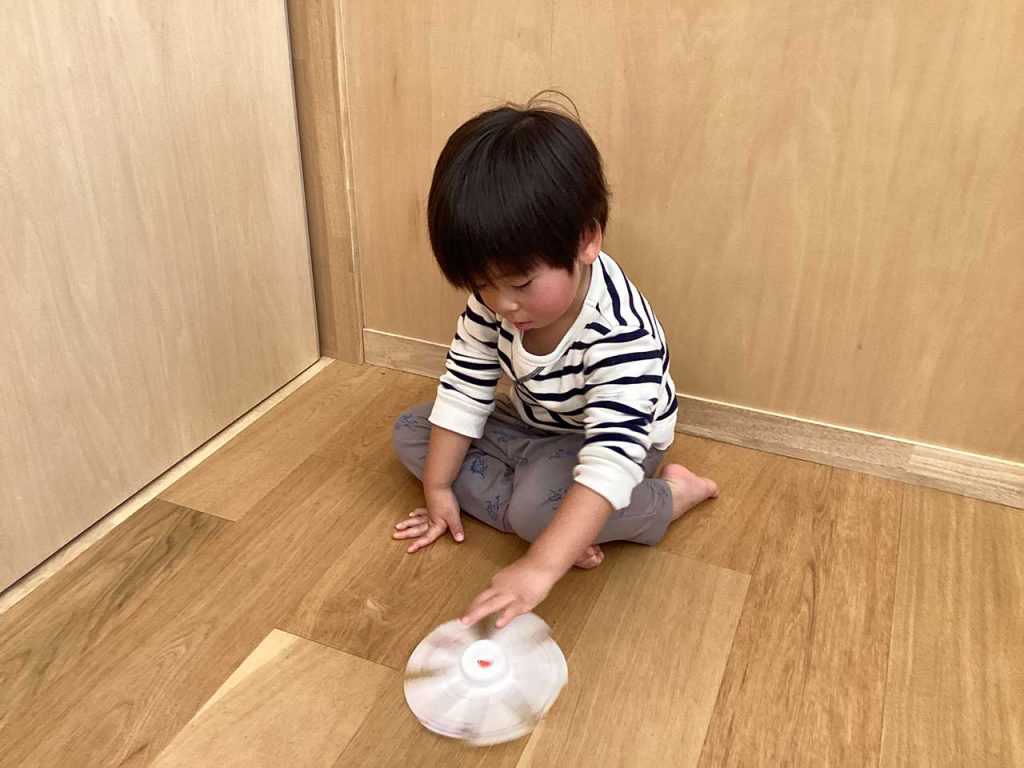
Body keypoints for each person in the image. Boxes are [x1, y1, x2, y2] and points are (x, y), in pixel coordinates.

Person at [392, 94, 718, 630]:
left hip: (611, 442)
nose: (501, 304)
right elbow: (465, 385)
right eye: (482, 285)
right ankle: (561, 517)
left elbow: (611, 456)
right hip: (533, 421)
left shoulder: (620, 334)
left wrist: (542, 564)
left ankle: (671, 496)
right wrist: (438, 489)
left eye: (520, 283)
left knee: (535, 512)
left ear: (586, 239)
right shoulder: (494, 301)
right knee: (412, 430)